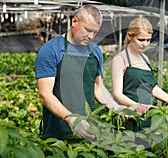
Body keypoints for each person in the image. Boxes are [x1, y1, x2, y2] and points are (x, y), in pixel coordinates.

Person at [35, 5, 122, 141]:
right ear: (74, 21)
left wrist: (115, 106)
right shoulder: (51, 50)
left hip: (89, 127)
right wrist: (72, 120)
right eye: (87, 30)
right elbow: (45, 95)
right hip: (58, 130)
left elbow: (98, 88)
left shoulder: (95, 51)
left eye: (95, 32)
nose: (91, 36)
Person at [111, 17, 168, 131]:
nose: (144, 44)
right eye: (141, 40)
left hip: (147, 115)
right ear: (130, 36)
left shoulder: (145, 58)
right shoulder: (120, 59)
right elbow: (118, 94)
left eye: (148, 40)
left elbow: (150, 87)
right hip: (128, 115)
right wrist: (138, 107)